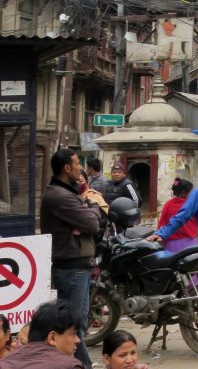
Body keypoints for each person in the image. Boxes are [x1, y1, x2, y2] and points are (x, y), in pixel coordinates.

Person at [40, 149, 103, 369]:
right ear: (67, 168)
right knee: (72, 325)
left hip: (79, 265)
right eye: (77, 164)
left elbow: (88, 221)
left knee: (79, 323)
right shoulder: (60, 196)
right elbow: (94, 223)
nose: (80, 168)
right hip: (70, 267)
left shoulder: (68, 193)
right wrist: (92, 209)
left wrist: (86, 213)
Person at [0, 300, 84, 369]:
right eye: (73, 334)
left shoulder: (5, 362)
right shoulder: (69, 366)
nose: (78, 340)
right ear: (52, 338)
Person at [157, 178, 198, 253]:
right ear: (183, 192)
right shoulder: (190, 205)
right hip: (189, 244)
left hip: (171, 244)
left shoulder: (168, 204)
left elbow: (163, 222)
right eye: (191, 192)